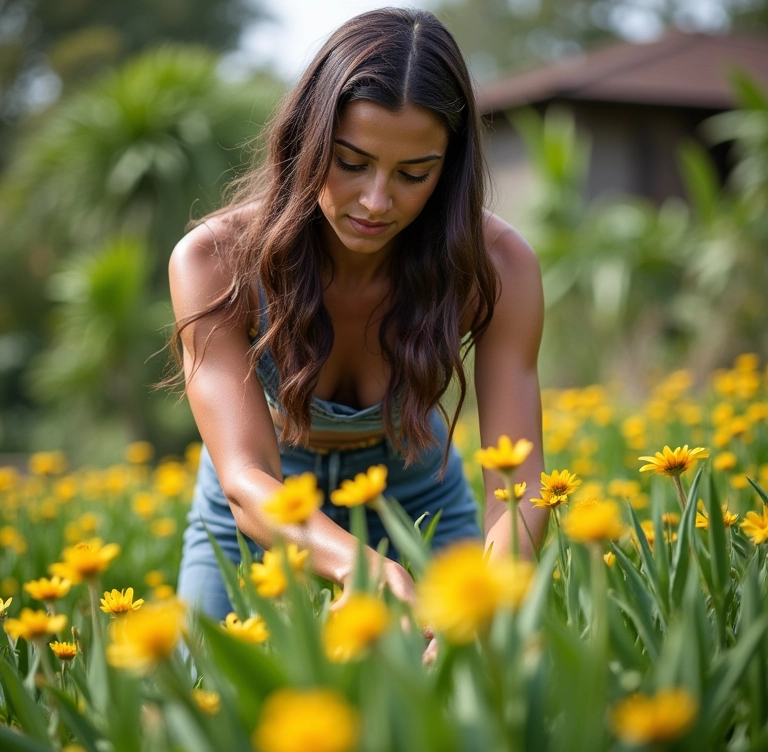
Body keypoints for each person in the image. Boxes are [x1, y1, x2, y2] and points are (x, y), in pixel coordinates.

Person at [169, 7, 546, 624]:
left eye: (413, 174)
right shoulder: (215, 261)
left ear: (448, 172)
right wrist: (355, 563)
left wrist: (482, 610)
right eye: (350, 162)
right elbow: (246, 475)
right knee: (206, 693)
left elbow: (521, 487)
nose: (376, 201)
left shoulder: (497, 268)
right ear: (307, 139)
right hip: (262, 508)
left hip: (418, 497)